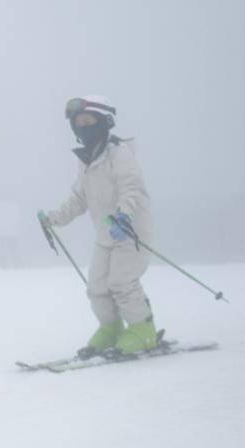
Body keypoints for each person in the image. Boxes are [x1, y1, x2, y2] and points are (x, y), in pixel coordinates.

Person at [38, 95, 158, 355]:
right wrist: (54, 218)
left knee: (122, 283)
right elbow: (80, 198)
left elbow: (132, 189)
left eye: (88, 121)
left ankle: (142, 329)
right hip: (105, 235)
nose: (83, 126)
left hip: (130, 231)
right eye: (78, 122)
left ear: (103, 122)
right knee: (97, 287)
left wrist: (123, 214)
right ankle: (111, 328)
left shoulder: (119, 153)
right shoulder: (86, 159)